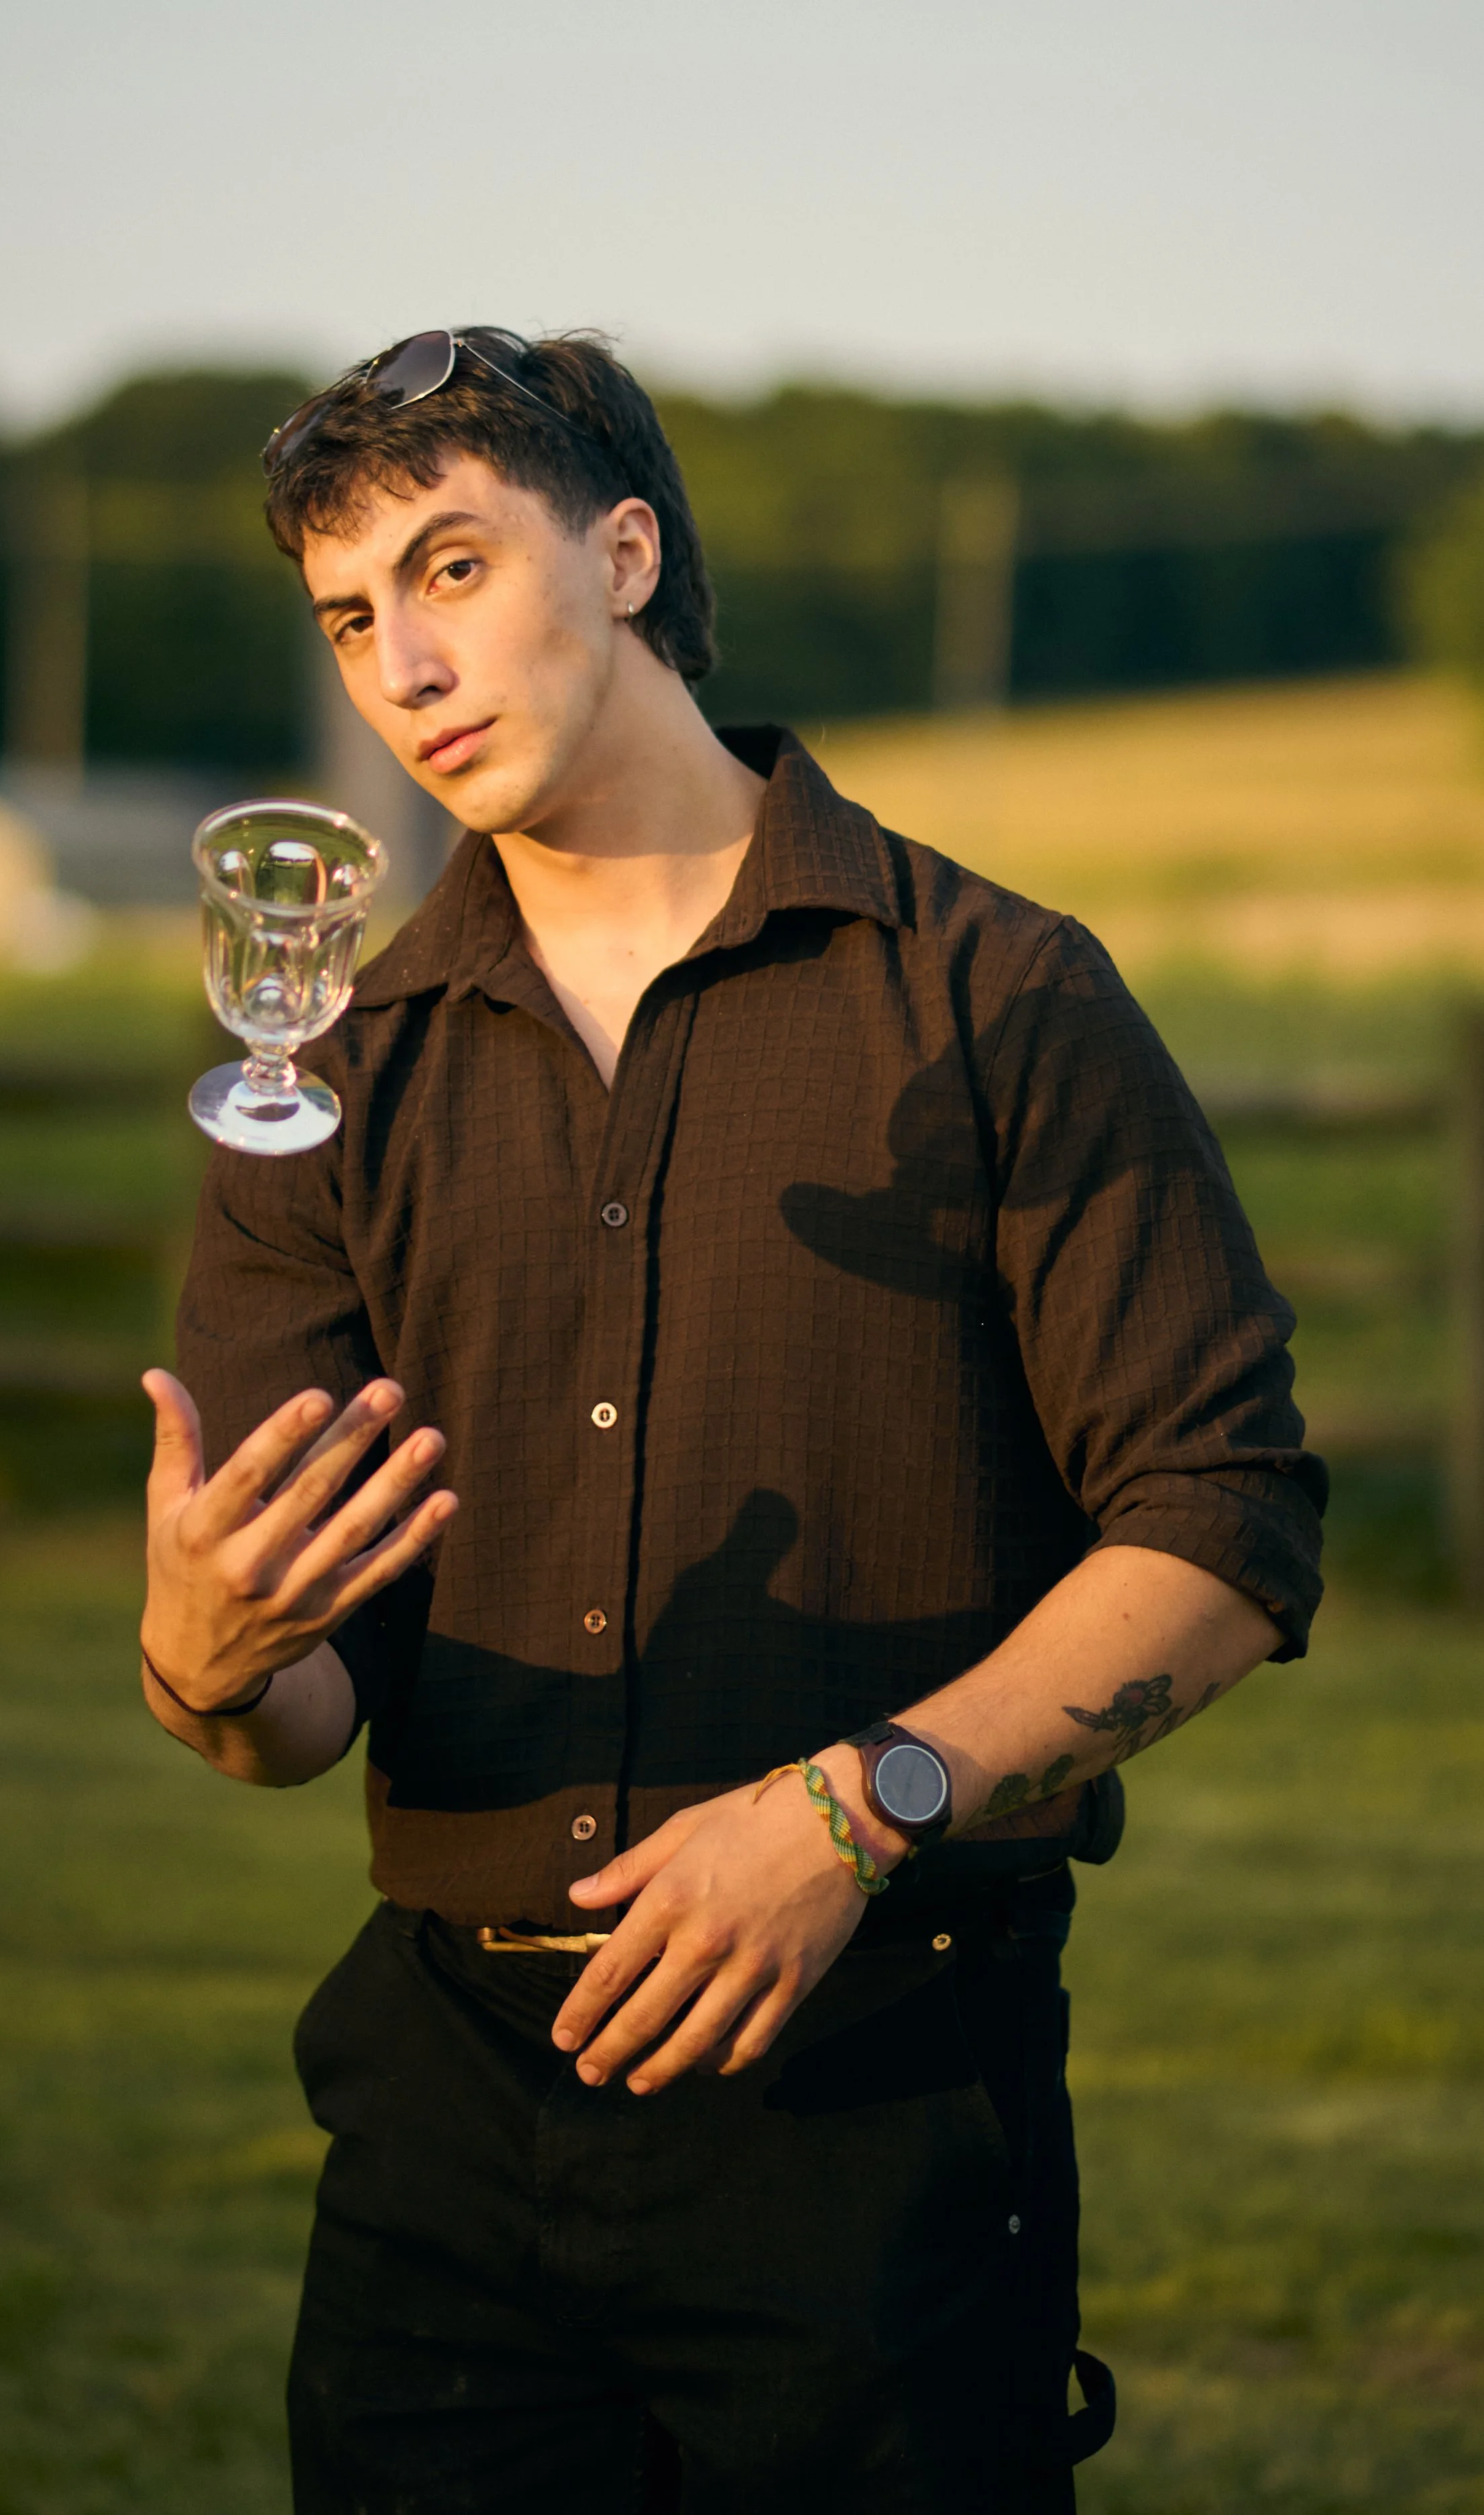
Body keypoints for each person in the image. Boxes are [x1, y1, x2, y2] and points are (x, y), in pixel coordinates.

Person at [137, 328, 1325, 2514]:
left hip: (873, 2098)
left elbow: (1225, 1521)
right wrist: (210, 1662)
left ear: (623, 549)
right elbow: (301, 1713)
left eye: (453, 567)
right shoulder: (333, 1076)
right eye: (347, 613)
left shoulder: (994, 992)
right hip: (445, 2119)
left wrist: (861, 1803)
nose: (398, 660)